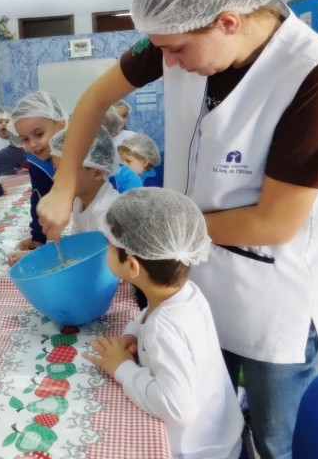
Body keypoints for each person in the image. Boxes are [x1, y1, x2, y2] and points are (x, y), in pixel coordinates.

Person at [38, 0, 318, 459]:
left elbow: (274, 223)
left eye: (177, 51)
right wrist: (65, 185)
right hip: (191, 288)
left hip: (268, 298)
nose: (168, 63)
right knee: (209, 415)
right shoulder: (179, 33)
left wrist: (158, 232)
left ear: (228, 22)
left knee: (278, 441)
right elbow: (94, 100)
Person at [84, 188, 244, 459]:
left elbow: (178, 408)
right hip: (222, 435)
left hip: (199, 451)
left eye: (109, 244)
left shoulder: (164, 328)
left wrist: (121, 367)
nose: (105, 250)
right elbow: (150, 313)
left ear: (132, 266)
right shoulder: (186, 292)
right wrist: (134, 333)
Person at [8, 90, 67, 251]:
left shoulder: (82, 155)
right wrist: (39, 237)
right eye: (25, 139)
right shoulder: (37, 160)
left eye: (39, 134)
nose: (32, 144)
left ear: (61, 126)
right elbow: (39, 196)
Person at [48, 126, 119, 234]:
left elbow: (99, 251)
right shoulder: (79, 200)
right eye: (56, 169)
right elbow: (77, 240)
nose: (55, 177)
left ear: (97, 172)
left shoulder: (104, 214)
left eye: (66, 171)